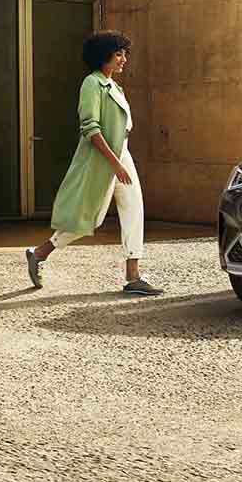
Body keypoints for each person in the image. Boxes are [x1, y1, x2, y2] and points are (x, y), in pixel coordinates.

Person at [26, 31, 159, 295]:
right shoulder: (92, 83)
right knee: (88, 217)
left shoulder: (114, 86)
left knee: (134, 209)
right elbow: (91, 128)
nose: (123, 59)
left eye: (124, 54)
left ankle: (133, 276)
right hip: (104, 158)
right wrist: (115, 164)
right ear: (103, 56)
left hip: (122, 153)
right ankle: (39, 253)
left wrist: (121, 160)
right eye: (118, 54)